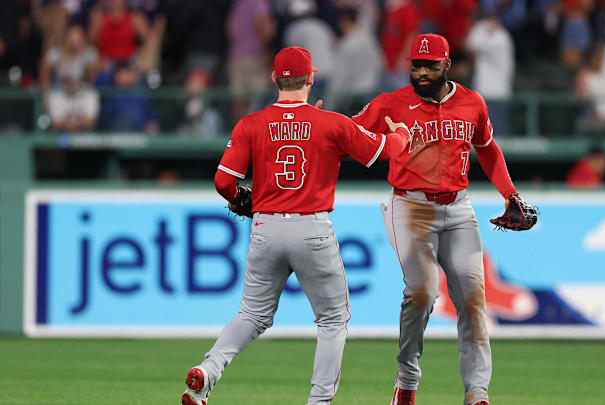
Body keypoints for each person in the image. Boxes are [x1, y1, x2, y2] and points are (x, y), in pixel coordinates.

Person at [180, 46, 412, 405]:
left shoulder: (251, 124)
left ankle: (209, 370)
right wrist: (402, 137)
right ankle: (318, 402)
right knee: (333, 320)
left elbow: (223, 180)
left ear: (274, 79)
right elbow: (385, 150)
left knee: (252, 316)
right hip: (312, 227)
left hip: (266, 226)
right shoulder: (331, 123)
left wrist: (240, 199)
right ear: (311, 79)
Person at [352, 33, 527, 405]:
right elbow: (348, 135)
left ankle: (477, 391)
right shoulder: (390, 103)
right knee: (422, 293)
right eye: (416, 65)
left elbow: (488, 149)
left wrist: (510, 194)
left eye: (430, 65)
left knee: (473, 297)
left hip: (459, 207)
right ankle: (407, 376)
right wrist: (313, 122)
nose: (421, 72)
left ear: (447, 65)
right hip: (411, 206)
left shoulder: (471, 102)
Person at [39, 24, 100, 132]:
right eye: (73, 38)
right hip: (61, 91)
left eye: (79, 38)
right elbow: (44, 72)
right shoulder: (56, 52)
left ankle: (81, 126)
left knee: (91, 95)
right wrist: (46, 92)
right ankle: (62, 126)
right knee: (53, 96)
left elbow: (93, 77)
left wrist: (84, 58)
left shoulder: (88, 53)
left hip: (80, 91)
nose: (76, 42)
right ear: (67, 38)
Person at [324, 6, 382, 113]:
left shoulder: (345, 44)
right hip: (371, 93)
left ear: (343, 21)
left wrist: (328, 105)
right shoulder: (369, 39)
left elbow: (340, 77)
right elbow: (379, 65)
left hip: (352, 98)